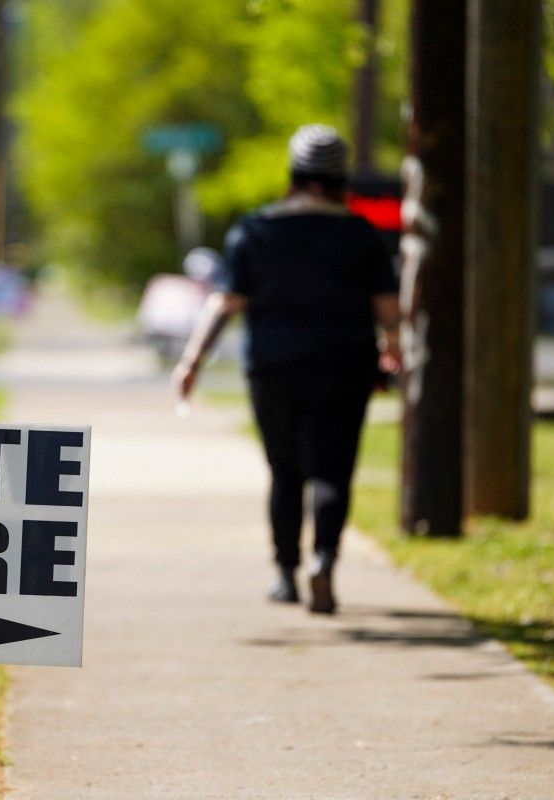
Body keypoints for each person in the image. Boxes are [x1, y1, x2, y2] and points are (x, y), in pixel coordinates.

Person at [171, 124, 401, 614]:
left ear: (295, 174)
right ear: (340, 178)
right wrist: (394, 349)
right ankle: (324, 560)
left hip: (273, 366)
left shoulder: (257, 230)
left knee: (285, 471)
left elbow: (224, 303)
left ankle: (285, 574)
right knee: (333, 472)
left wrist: (192, 361)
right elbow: (387, 308)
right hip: (345, 363)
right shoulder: (360, 233)